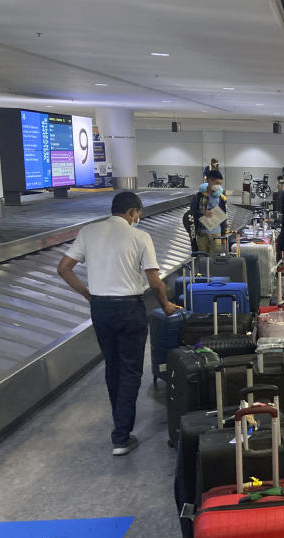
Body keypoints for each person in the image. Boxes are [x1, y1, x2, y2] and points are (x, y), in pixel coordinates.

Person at [57, 191, 178, 455]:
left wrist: (87, 293)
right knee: (131, 370)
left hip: (100, 308)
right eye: (138, 215)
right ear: (133, 213)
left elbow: (63, 267)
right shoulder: (140, 236)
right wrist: (166, 305)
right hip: (128, 308)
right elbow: (154, 280)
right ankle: (121, 436)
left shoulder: (89, 232)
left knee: (113, 367)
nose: (138, 219)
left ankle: (120, 426)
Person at [188, 170, 226, 255]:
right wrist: (202, 213)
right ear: (209, 180)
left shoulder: (221, 198)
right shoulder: (199, 196)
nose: (218, 186)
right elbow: (192, 211)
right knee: (202, 259)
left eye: (220, 184)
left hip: (216, 234)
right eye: (216, 183)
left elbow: (223, 217)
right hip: (202, 234)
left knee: (214, 260)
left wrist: (223, 235)